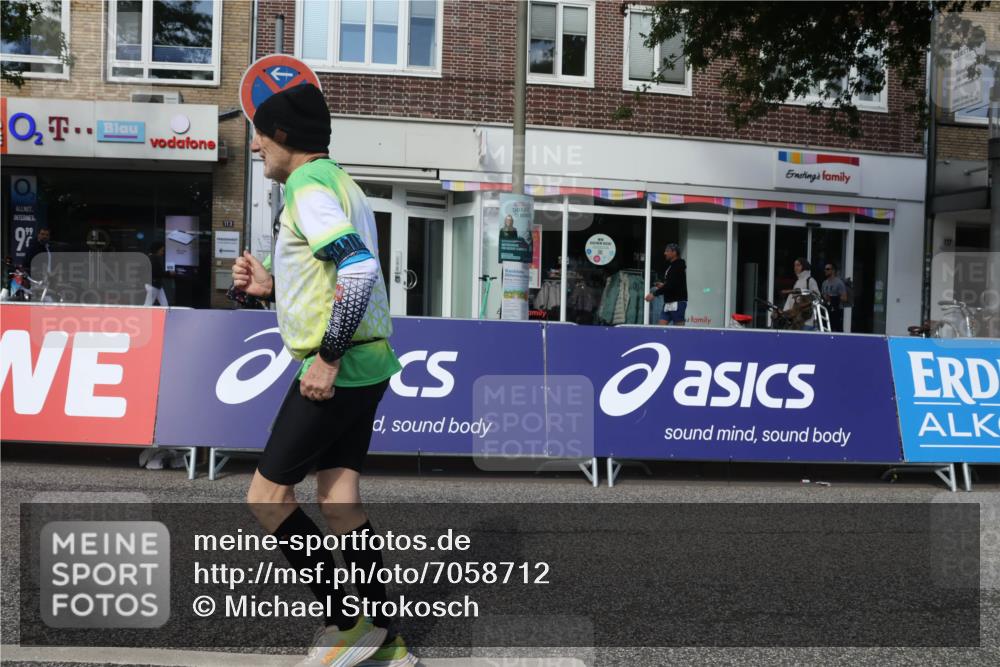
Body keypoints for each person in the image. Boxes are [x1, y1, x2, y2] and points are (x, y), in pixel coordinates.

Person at [231, 84, 412, 667]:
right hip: (372, 361)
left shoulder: (306, 185)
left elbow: (356, 268)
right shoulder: (343, 182)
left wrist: (328, 356)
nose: (255, 145)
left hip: (340, 365)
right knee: (339, 501)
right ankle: (388, 644)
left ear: (283, 136)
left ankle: (346, 622)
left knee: (266, 498)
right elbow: (331, 273)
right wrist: (270, 288)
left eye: (260, 134)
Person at [644, 243, 687, 325]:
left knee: (680, 331)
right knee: (660, 329)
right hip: (668, 302)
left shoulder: (678, 265)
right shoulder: (672, 266)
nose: (665, 253)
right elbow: (673, 283)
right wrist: (663, 285)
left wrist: (654, 294)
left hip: (677, 302)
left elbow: (671, 284)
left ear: (674, 252)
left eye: (667, 251)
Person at [781, 257, 820, 329]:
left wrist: (804, 301)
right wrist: (785, 312)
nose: (795, 267)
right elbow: (791, 299)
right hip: (796, 321)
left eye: (798, 265)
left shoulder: (810, 280)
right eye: (795, 265)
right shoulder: (797, 282)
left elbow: (817, 297)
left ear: (804, 266)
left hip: (807, 321)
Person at [821, 262, 848, 332]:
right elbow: (823, 295)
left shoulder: (839, 283)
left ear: (833, 270)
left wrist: (833, 298)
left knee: (837, 330)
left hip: (836, 310)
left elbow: (845, 298)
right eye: (825, 269)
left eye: (827, 269)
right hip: (826, 310)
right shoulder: (824, 283)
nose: (825, 271)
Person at [143, 242, 169, 306]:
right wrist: (169, 273)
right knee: (148, 305)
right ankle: (143, 315)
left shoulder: (150, 258)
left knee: (164, 304)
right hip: (153, 285)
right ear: (157, 250)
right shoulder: (154, 259)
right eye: (162, 250)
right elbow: (157, 272)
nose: (162, 253)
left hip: (156, 285)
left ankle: (167, 314)